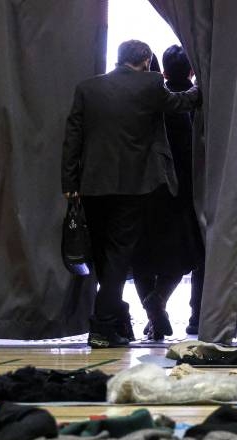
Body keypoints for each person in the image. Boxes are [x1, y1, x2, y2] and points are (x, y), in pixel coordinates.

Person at [62, 39, 201, 349]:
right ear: (146, 61)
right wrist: (201, 85)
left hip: (92, 185)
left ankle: (117, 318)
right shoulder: (150, 84)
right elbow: (182, 103)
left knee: (103, 256)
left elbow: (72, 138)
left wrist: (69, 184)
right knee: (118, 255)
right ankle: (102, 325)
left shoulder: (87, 88)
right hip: (133, 185)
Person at [132, 45, 204, 341]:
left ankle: (154, 314)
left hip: (145, 190)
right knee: (181, 257)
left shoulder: (147, 103)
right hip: (181, 193)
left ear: (162, 72)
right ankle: (158, 301)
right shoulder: (193, 104)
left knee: (142, 258)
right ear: (192, 70)